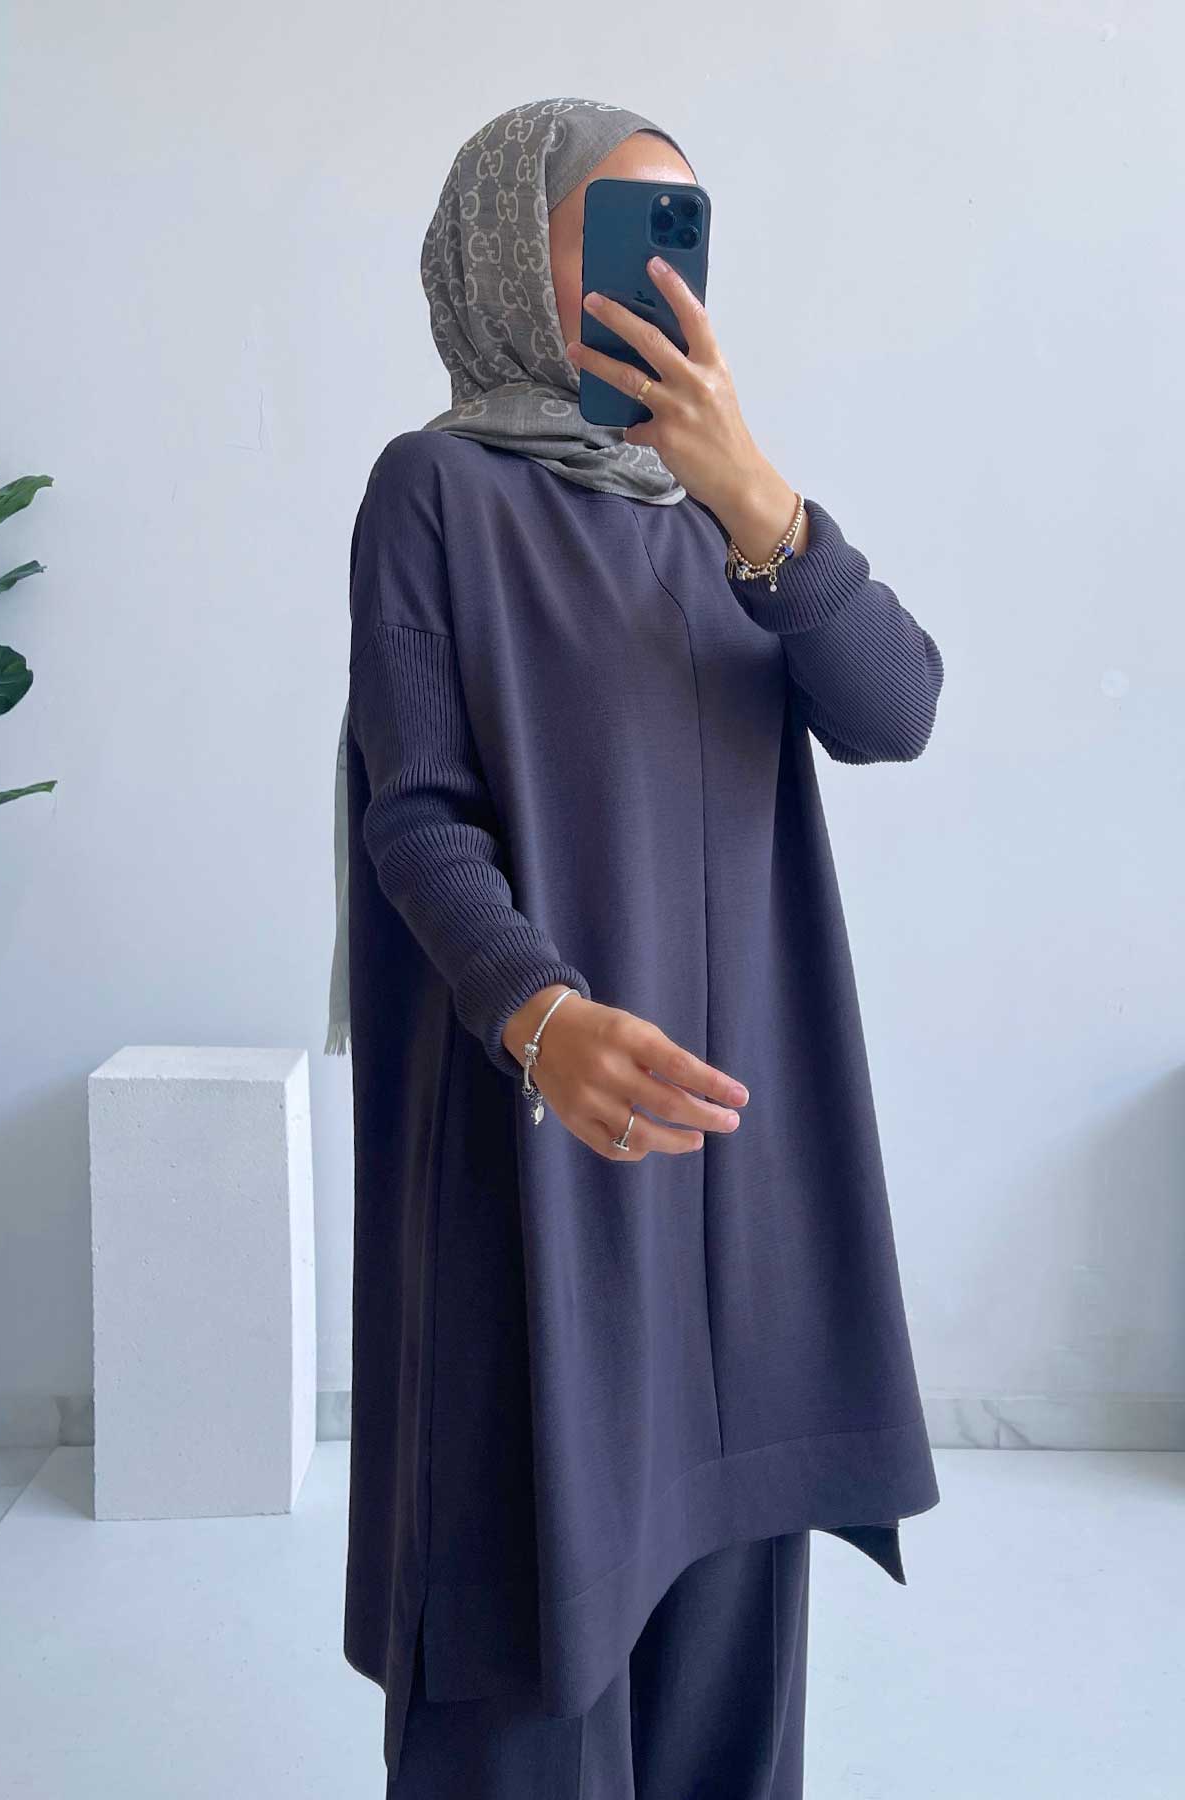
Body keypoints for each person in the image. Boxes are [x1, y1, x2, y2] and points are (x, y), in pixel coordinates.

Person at [328, 95, 944, 1797]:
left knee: (727, 1662)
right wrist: (539, 1014)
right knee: (530, 1632)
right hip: (538, 1150)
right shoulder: (434, 492)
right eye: (614, 231)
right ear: (498, 255)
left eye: (685, 236)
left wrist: (760, 498)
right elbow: (416, 813)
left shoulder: (728, 521)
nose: (660, 278)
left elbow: (896, 711)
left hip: (735, 1171)